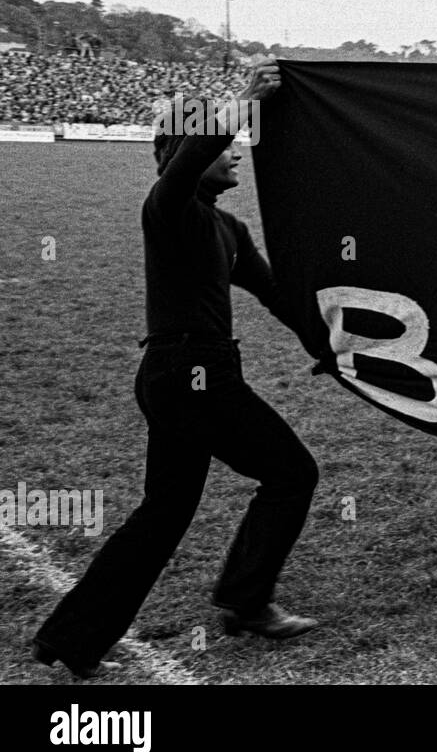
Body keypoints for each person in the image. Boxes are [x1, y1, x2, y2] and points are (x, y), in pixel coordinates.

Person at [32, 58, 321, 680]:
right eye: (226, 147)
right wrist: (244, 99)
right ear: (183, 151)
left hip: (181, 378)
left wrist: (323, 346)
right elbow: (197, 153)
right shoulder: (167, 207)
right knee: (292, 473)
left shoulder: (230, 228)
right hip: (194, 374)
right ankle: (246, 603)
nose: (237, 154)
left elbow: (277, 296)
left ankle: (71, 637)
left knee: (163, 514)